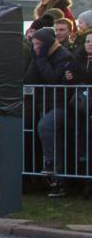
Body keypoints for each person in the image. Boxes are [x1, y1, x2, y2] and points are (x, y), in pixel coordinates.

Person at [25, 27, 76, 197]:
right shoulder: (40, 55)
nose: (36, 47)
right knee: (53, 139)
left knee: (45, 127)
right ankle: (56, 181)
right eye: (34, 44)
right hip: (44, 103)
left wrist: (41, 59)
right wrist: (36, 57)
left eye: (39, 44)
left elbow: (53, 78)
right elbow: (30, 78)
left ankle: (51, 165)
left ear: (47, 43)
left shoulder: (64, 56)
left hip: (61, 104)